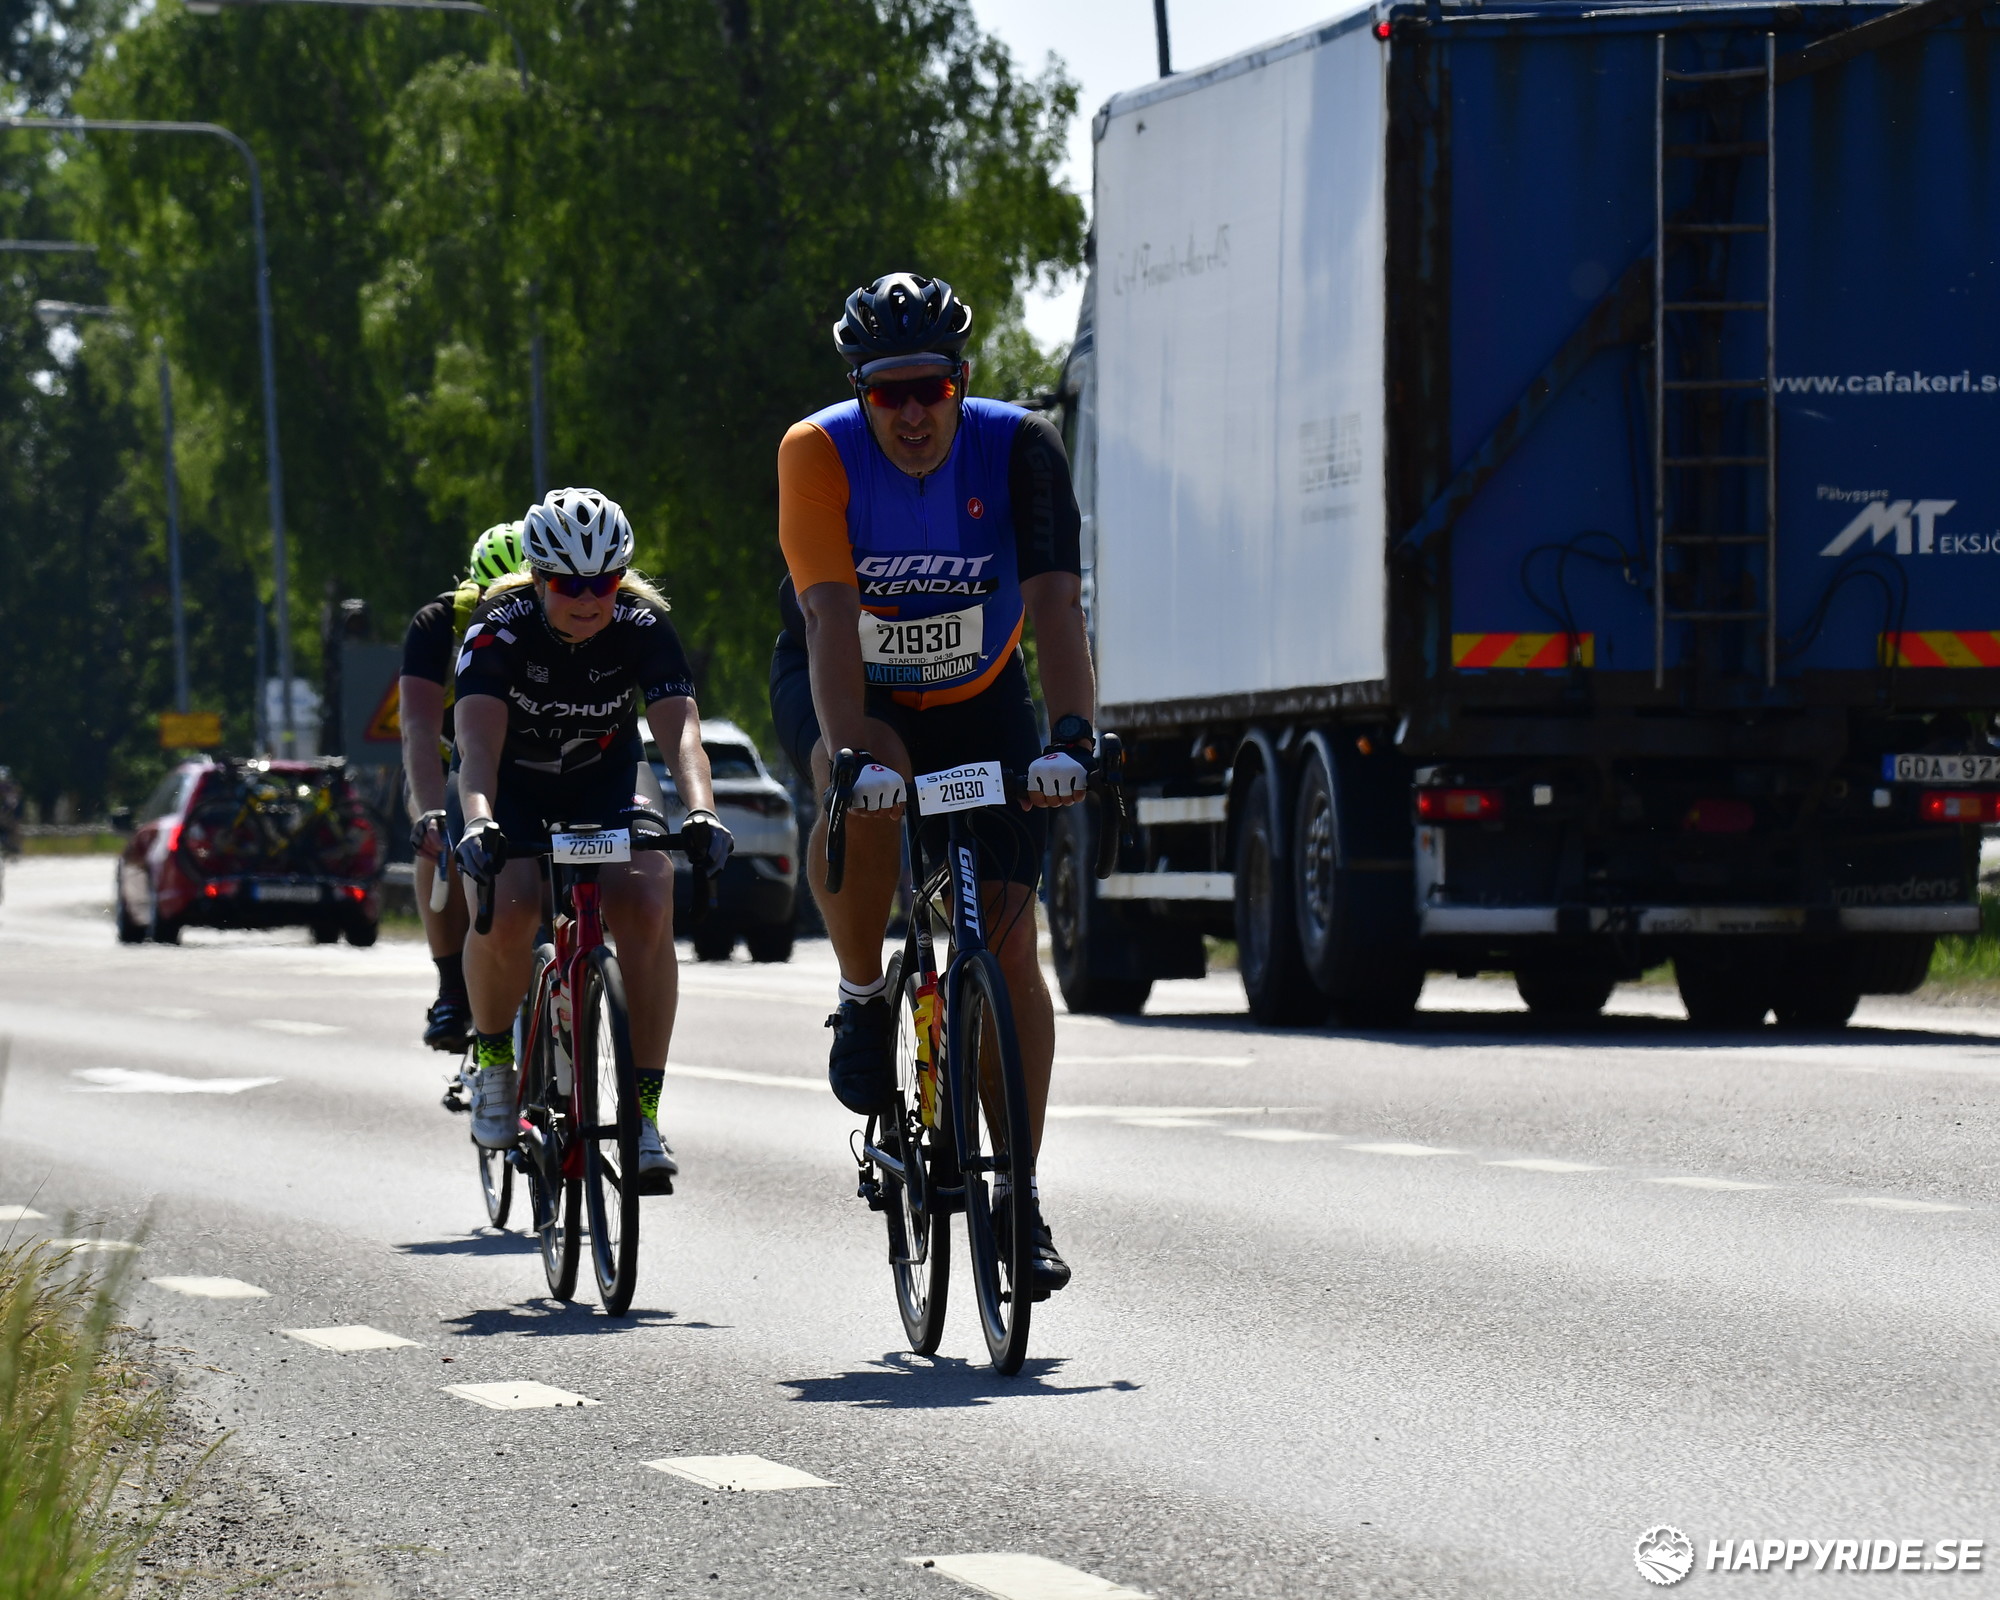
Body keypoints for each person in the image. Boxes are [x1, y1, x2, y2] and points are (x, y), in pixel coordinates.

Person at [771, 272, 1097, 1296]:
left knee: (1009, 943)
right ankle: (862, 993)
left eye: (931, 390)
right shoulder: (816, 451)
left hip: (979, 691)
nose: (911, 415)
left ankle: (1021, 1199)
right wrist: (847, 755)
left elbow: (1055, 605)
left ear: (961, 380)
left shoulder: (1022, 449)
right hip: (849, 683)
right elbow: (827, 614)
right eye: (888, 394)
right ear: (859, 394)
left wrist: (1074, 738)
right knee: (870, 783)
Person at [450, 487, 732, 1190]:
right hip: (511, 785)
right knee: (509, 905)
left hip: (606, 777)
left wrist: (701, 811)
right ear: (539, 579)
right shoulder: (498, 629)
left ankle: (644, 1114)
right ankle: (494, 1063)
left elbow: (682, 735)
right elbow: (476, 752)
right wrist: (479, 820)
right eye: (569, 585)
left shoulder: (642, 625)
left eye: (603, 583)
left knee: (646, 897)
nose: (587, 599)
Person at [399, 522, 527, 1053]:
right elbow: (418, 729)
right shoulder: (438, 625)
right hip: (451, 761)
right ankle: (452, 986)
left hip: (527, 762)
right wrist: (430, 812)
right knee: (441, 840)